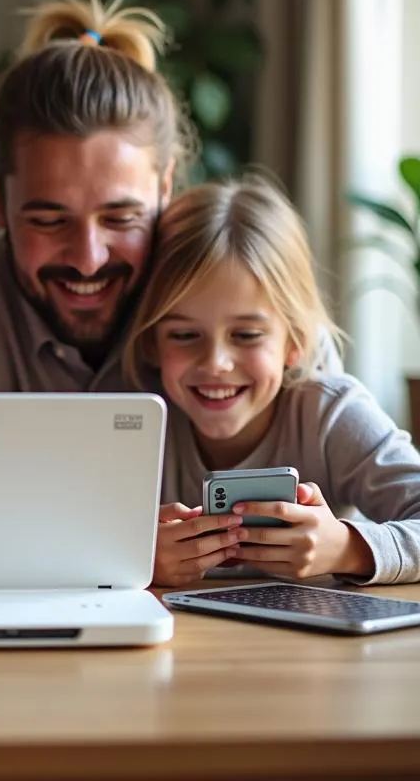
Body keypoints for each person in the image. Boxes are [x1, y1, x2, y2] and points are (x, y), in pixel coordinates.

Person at [124, 176, 420, 587]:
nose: (216, 364)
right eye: (184, 335)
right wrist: (133, 559)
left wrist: (347, 547)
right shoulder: (129, 424)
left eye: (246, 335)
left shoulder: (331, 414)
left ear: (295, 340)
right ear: (152, 343)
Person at [0, 0, 192, 393]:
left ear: (165, 189)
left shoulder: (235, 295)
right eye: (50, 221)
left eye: (121, 219)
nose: (88, 260)